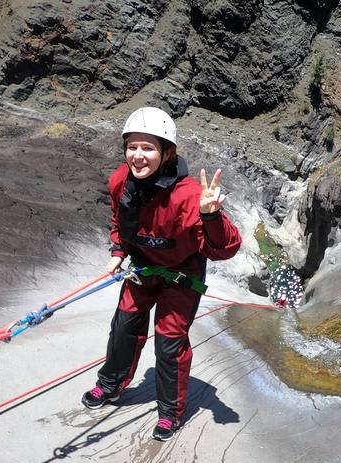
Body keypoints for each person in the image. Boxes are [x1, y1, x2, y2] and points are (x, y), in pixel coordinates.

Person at [82, 107, 242, 441]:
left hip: (181, 276)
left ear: (167, 152)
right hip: (142, 267)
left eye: (148, 148)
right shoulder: (119, 181)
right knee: (123, 327)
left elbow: (224, 249)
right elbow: (119, 222)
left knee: (169, 345)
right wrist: (117, 251)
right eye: (132, 147)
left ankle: (169, 412)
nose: (138, 156)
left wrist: (212, 216)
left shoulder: (189, 197)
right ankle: (110, 385)